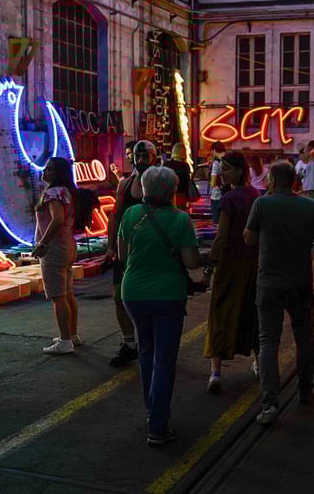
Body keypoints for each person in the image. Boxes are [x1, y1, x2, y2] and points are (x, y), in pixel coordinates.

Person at [117, 166, 203, 446]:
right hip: (168, 295)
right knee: (164, 359)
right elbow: (191, 262)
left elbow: (121, 253)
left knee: (146, 352)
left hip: (133, 293)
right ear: (172, 190)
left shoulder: (131, 215)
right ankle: (158, 426)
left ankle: (151, 410)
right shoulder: (181, 220)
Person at [244, 161, 314, 425]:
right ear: (295, 181)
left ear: (270, 179)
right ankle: (305, 389)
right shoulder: (311, 207)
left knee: (269, 341)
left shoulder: (262, 204)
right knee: (304, 338)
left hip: (268, 283)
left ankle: (269, 404)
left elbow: (248, 237)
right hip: (301, 283)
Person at [204, 151, 260, 393]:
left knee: (220, 314)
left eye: (226, 168)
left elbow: (222, 236)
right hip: (253, 264)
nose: (222, 173)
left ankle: (216, 371)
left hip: (229, 265)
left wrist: (209, 263)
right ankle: (260, 362)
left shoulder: (229, 200)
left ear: (239, 170)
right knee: (253, 313)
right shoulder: (256, 195)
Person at [105, 140, 159, 367]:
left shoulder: (159, 184)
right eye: (137, 156)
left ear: (154, 158)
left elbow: (170, 215)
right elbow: (115, 216)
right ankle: (130, 343)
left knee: (150, 299)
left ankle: (152, 343)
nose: (140, 161)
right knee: (119, 296)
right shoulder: (124, 185)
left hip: (150, 251)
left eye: (145, 156)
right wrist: (110, 246)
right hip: (125, 249)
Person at [33, 157, 81, 354]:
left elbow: (57, 219)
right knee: (67, 292)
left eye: (50, 169)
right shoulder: (67, 192)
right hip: (68, 245)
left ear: (58, 174)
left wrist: (42, 244)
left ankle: (64, 341)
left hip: (54, 248)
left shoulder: (53, 193)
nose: (45, 171)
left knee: (58, 296)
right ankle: (72, 334)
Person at [165, 143, 192, 210]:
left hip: (168, 195)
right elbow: (187, 183)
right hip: (181, 195)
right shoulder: (185, 166)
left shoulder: (167, 164)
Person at [210, 141, 227, 226]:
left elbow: (213, 183)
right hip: (227, 194)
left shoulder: (216, 163)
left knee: (217, 223)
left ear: (214, 151)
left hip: (217, 195)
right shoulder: (228, 160)